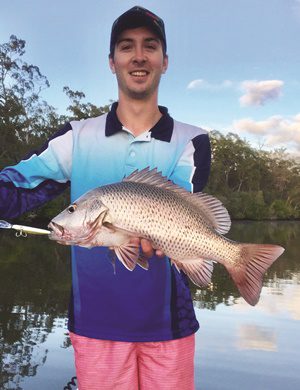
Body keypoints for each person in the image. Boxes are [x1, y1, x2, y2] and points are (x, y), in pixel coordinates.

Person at [0, 6, 211, 390]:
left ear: (165, 60)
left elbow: (184, 207)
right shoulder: (77, 136)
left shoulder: (192, 140)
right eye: (126, 46)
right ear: (112, 62)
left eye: (150, 46)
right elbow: (17, 188)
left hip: (170, 325)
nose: (139, 55)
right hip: (95, 324)